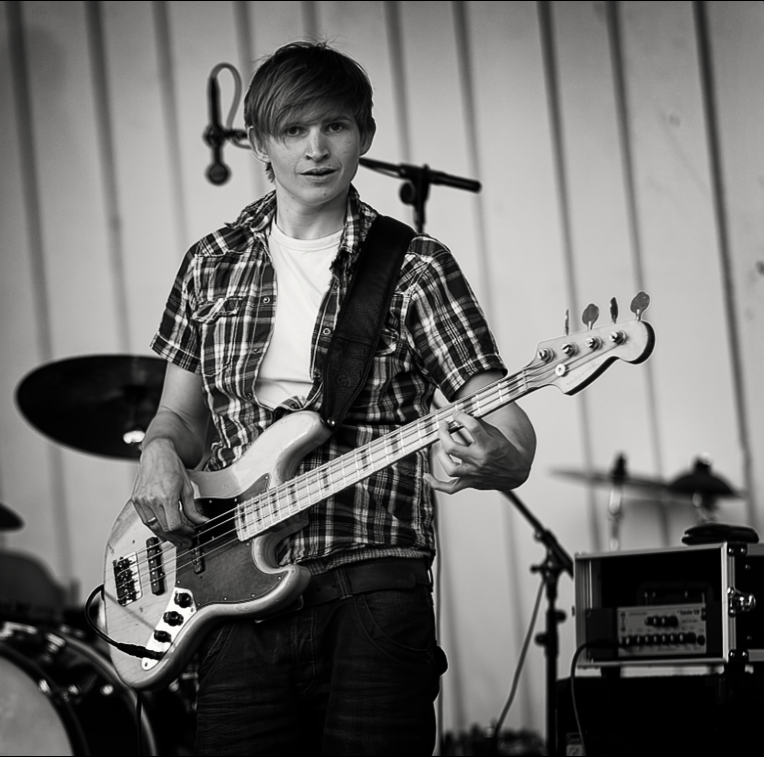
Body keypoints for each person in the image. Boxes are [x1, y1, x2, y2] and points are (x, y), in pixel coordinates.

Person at [127, 40, 536, 755]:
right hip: (231, 598)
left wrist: (497, 457)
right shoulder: (210, 264)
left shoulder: (414, 265)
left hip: (372, 593)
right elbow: (180, 418)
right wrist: (160, 450)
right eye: (293, 131)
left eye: (335, 127)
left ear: (364, 135)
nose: (316, 149)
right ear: (259, 143)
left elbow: (510, 426)